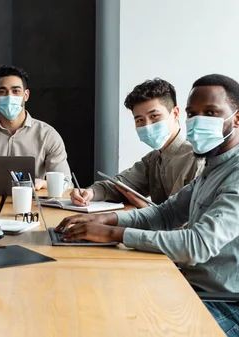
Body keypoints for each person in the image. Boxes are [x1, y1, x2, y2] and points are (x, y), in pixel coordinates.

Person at [56, 74, 239, 335]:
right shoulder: (213, 165)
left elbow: (198, 245)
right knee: (100, 305)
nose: (197, 122)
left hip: (223, 303)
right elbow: (165, 214)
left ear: (236, 118)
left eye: (210, 112)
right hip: (188, 285)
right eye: (193, 113)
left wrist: (112, 233)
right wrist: (104, 220)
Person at [71, 78, 203, 208]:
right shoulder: (153, 159)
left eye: (154, 116)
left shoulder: (197, 159)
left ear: (175, 113)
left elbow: (195, 222)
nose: (147, 125)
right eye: (139, 120)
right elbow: (119, 185)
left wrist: (148, 211)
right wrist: (90, 192)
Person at [0, 65, 71, 189]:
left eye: (16, 91)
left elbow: (66, 182)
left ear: (26, 95)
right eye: (3, 91)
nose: (9, 96)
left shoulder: (48, 135)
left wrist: (43, 183)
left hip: (31, 204)